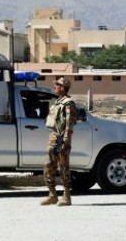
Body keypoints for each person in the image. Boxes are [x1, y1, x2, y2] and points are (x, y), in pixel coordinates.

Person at [41, 77, 77, 206]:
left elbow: (69, 122)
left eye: (57, 85)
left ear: (62, 88)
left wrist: (66, 139)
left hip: (62, 139)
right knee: (48, 166)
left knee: (63, 167)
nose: (55, 87)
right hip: (53, 137)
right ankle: (52, 194)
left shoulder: (68, 103)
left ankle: (66, 196)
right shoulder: (57, 102)